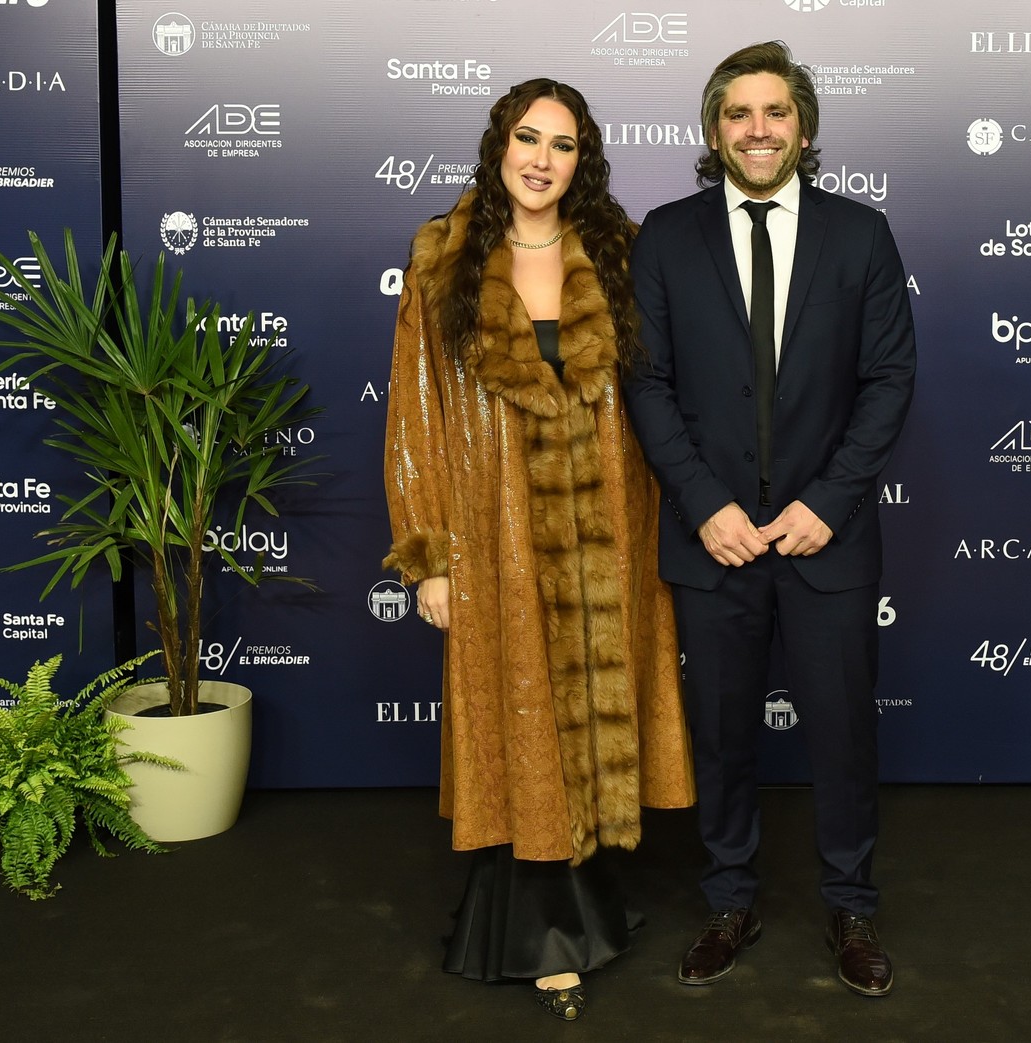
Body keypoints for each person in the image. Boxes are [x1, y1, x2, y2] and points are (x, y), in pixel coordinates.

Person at [383, 78, 694, 1022]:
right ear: (498, 143)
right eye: (527, 137)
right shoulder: (441, 259)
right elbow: (414, 414)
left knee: (592, 719)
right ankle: (539, 933)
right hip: (496, 537)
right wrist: (428, 553)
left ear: (581, 160)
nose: (540, 159)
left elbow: (661, 392)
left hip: (609, 533)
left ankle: (587, 906)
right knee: (515, 716)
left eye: (562, 145)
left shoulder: (618, 253)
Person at [623, 41, 916, 998]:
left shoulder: (861, 235)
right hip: (711, 544)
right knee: (721, 735)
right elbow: (647, 385)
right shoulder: (663, 237)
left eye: (777, 112)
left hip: (823, 541)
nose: (759, 130)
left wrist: (823, 505)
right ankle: (728, 900)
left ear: (804, 125)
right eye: (740, 114)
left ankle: (850, 903)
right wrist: (704, 506)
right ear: (714, 131)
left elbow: (886, 383)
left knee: (841, 733)